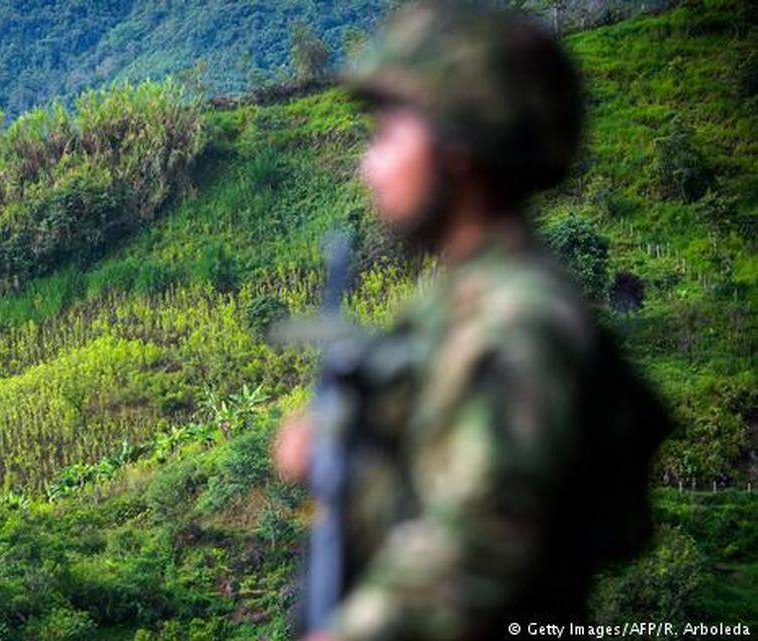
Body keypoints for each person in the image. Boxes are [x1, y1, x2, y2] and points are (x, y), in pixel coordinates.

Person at [273, 3, 672, 640]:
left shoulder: (518, 319)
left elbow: (483, 542)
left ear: (457, 145)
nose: (367, 167)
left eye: (386, 135)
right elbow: (434, 475)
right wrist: (340, 456)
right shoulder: (456, 304)